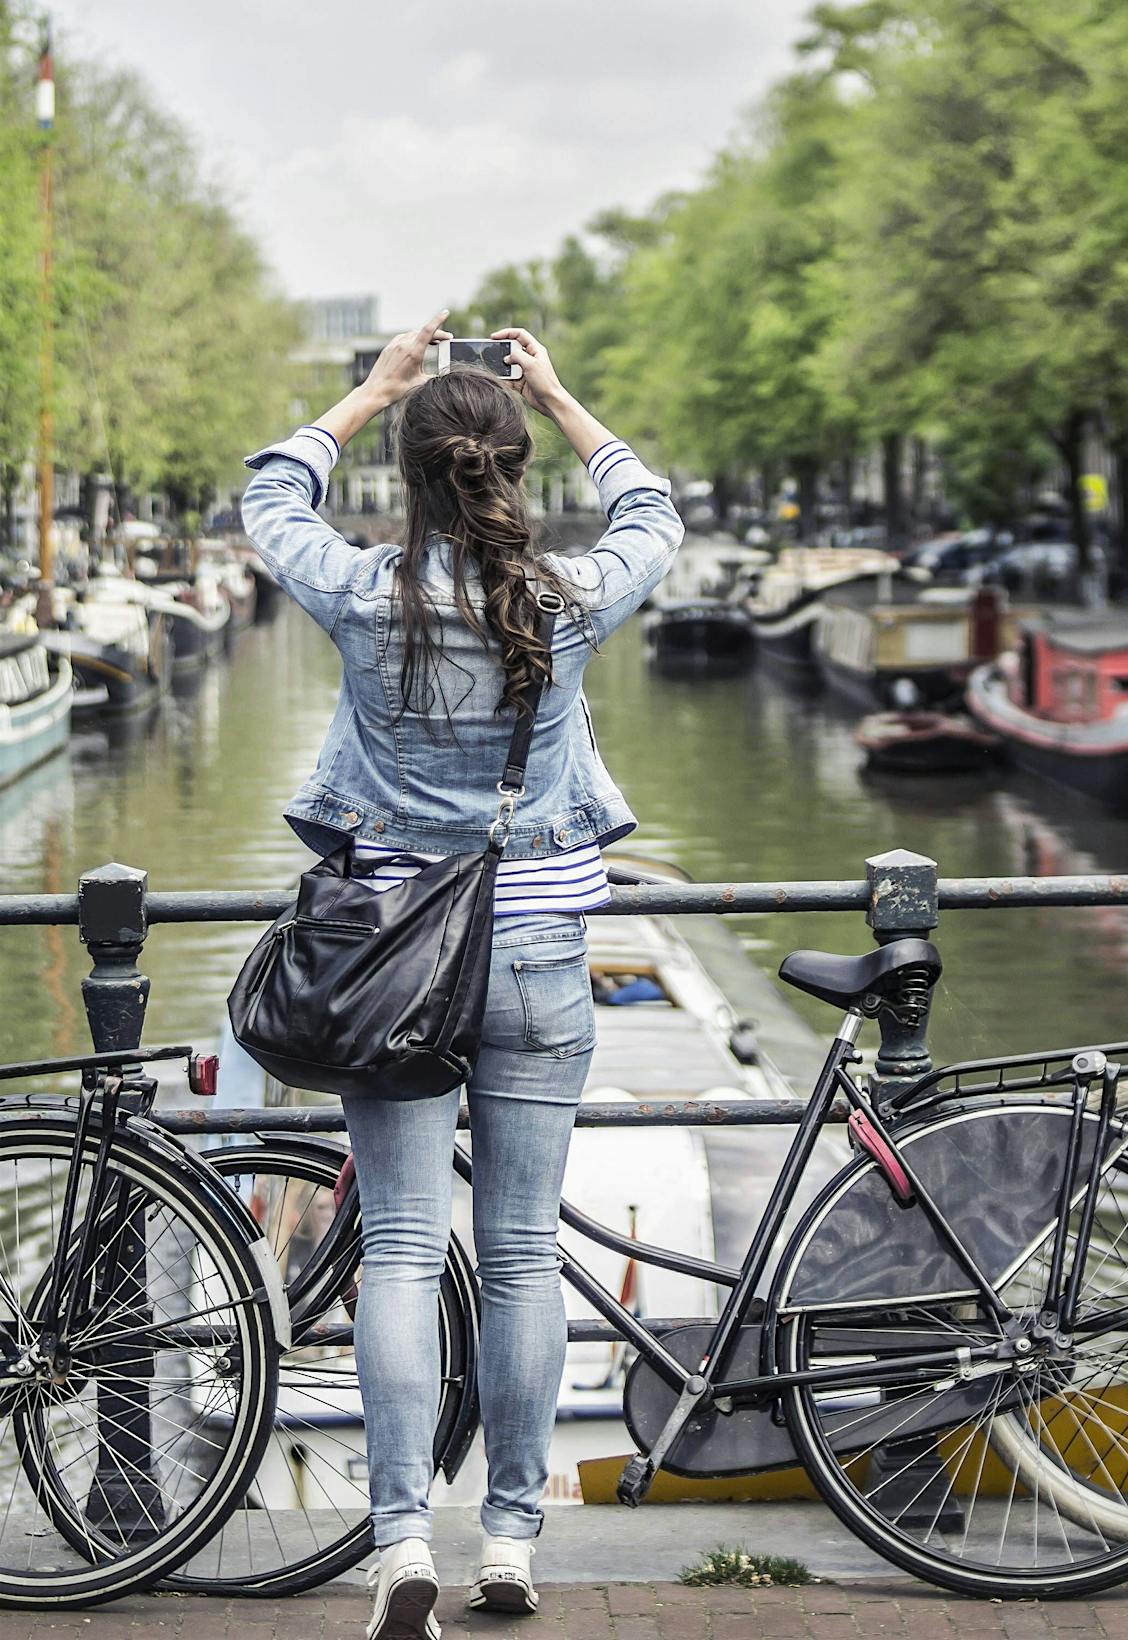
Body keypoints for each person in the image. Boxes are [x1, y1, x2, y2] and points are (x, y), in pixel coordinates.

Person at [241, 315, 682, 1639]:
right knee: (521, 1254)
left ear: (411, 475)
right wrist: (560, 393)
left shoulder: (365, 595)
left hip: (392, 961)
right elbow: (653, 509)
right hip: (542, 953)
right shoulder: (569, 599)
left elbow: (269, 493)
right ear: (513, 468)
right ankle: (508, 1544)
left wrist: (370, 389)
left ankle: (394, 1548)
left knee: (393, 1253)